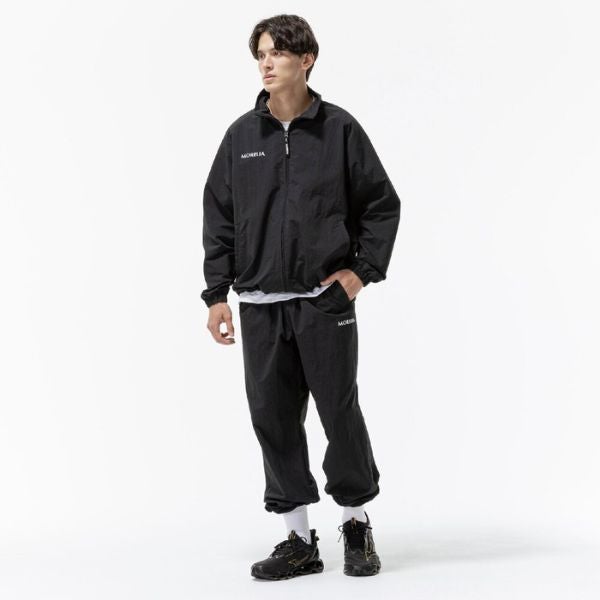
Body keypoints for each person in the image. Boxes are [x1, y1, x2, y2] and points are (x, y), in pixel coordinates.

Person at [201, 14, 401, 579]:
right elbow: (219, 217)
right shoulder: (242, 137)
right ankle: (298, 540)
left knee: (340, 413)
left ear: (306, 58)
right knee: (273, 419)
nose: (266, 64)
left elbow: (381, 205)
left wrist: (360, 273)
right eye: (260, 54)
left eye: (277, 53)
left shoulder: (339, 130)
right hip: (260, 306)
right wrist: (216, 294)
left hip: (323, 302)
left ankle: (356, 526)